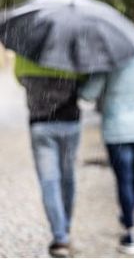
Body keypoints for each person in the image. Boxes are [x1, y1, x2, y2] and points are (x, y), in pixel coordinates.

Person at [80, 52, 134, 255]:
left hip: (117, 129)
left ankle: (130, 232)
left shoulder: (107, 60)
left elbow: (89, 93)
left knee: (124, 179)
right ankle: (128, 213)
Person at [15, 55, 82, 258]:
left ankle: (60, 237)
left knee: (49, 181)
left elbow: (19, 78)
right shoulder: (71, 48)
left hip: (40, 123)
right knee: (68, 177)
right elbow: (86, 78)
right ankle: (66, 228)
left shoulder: (26, 51)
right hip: (70, 121)